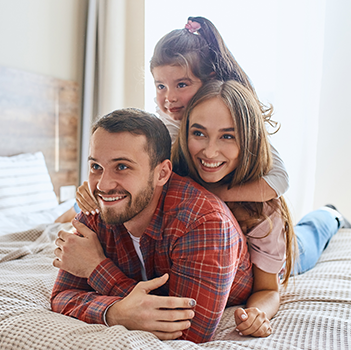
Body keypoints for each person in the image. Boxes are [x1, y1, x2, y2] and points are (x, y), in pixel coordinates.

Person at [55, 15, 288, 222]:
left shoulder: (234, 116)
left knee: (302, 252)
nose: (169, 98)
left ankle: (325, 218)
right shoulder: (162, 124)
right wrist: (93, 191)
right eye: (161, 86)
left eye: (182, 84)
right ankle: (64, 214)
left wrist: (217, 195)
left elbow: (280, 180)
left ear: (209, 79)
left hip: (245, 221)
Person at [51, 108, 253, 344]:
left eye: (122, 167)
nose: (103, 185)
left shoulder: (205, 222)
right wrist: (115, 313)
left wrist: (97, 268)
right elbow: (61, 296)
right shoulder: (99, 208)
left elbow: (187, 332)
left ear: (162, 173)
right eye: (96, 167)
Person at [170, 79, 351, 337]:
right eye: (198, 133)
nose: (210, 151)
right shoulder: (175, 173)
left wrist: (257, 313)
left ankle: (330, 214)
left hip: (280, 255)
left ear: (249, 140)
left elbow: (268, 289)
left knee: (310, 236)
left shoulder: (264, 214)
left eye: (228, 136)